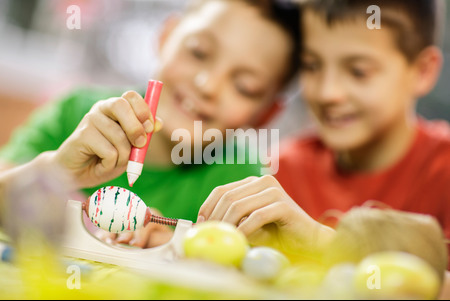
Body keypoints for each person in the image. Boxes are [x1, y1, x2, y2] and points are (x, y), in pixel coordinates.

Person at [0, 0, 300, 247]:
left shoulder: (242, 180)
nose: (207, 84)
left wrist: (176, 250)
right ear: (166, 36)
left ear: (265, 114)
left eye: (244, 86)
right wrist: (57, 170)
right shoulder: (75, 111)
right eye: (198, 52)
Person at [197, 0, 450, 264]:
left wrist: (323, 243)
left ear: (422, 71)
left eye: (358, 71)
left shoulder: (443, 172)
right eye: (312, 66)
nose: (328, 92)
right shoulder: (281, 171)